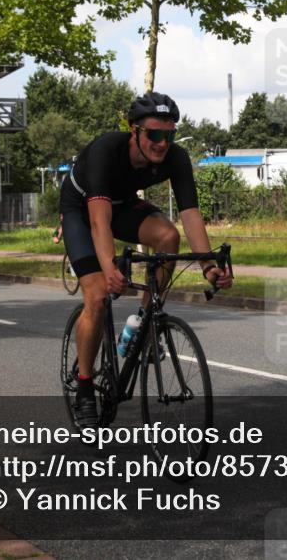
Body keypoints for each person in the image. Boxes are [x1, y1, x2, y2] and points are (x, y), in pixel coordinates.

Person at [59, 92, 233, 430]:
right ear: (134, 131)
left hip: (122, 205)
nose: (162, 143)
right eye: (154, 134)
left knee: (168, 237)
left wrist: (209, 267)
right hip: (82, 211)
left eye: (169, 135)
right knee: (96, 295)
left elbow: (191, 216)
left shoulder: (176, 158)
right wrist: (109, 267)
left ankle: (142, 323)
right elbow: (98, 221)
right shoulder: (106, 150)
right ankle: (83, 387)